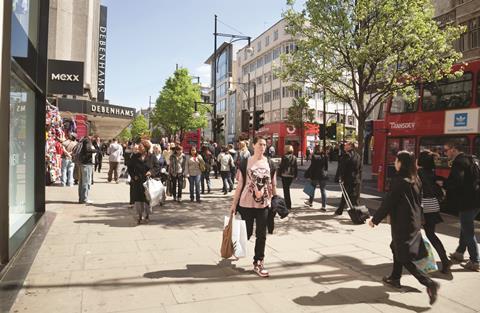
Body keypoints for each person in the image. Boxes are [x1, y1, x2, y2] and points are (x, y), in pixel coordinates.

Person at [368, 151, 440, 305]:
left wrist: (375, 219)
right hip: (413, 221)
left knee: (404, 256)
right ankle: (395, 278)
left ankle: (429, 283)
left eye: (396, 160)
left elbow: (389, 202)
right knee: (396, 247)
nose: (395, 163)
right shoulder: (415, 179)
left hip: (402, 223)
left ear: (401, 163)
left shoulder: (399, 180)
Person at [230, 135, 277, 277]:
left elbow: (273, 184)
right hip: (246, 203)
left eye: (264, 145)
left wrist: (276, 200)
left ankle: (258, 262)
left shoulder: (270, 163)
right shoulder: (245, 162)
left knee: (261, 234)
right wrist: (233, 204)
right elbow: (239, 186)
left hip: (264, 204)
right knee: (247, 232)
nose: (263, 147)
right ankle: (236, 247)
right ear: (253, 145)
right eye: (260, 144)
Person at [443, 141, 480, 271]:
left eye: (446, 150)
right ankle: (459, 252)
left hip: (467, 201)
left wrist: (444, 184)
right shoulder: (473, 158)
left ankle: (475, 261)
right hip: (476, 199)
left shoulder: (459, 162)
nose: (445, 152)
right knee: (465, 226)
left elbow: (456, 181)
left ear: (454, 149)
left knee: (468, 231)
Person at [417, 150, 452, 274]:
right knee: (431, 234)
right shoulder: (431, 173)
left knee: (413, 234)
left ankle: (419, 261)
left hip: (423, 207)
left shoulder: (419, 173)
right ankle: (445, 260)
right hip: (433, 205)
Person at [127, 141, 155, 224]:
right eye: (139, 146)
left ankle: (147, 215)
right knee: (138, 200)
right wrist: (133, 176)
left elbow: (157, 167)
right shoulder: (135, 156)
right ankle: (139, 216)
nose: (139, 148)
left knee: (147, 199)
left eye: (141, 146)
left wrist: (151, 172)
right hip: (138, 181)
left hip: (147, 182)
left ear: (146, 148)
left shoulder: (151, 156)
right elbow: (130, 168)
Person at [335, 141, 361, 215]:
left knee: (352, 197)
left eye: (346, 145)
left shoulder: (347, 155)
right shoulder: (357, 155)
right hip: (355, 179)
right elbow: (359, 168)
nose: (344, 146)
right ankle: (340, 210)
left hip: (347, 179)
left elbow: (342, 168)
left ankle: (359, 214)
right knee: (346, 194)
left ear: (350, 146)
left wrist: (340, 178)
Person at [305, 145, 329, 211]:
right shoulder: (325, 156)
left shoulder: (314, 156)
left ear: (315, 150)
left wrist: (310, 175)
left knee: (312, 188)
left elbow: (312, 166)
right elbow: (326, 167)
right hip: (323, 175)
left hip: (315, 175)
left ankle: (310, 202)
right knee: (323, 190)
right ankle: (324, 206)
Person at [278, 145, 297, 211]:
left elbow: (282, 166)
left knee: (286, 190)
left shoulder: (284, 157)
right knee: (287, 189)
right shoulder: (294, 157)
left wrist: (279, 171)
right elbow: (295, 167)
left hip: (284, 175)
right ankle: (288, 204)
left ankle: (288, 204)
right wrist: (295, 175)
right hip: (291, 175)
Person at [78, 136, 96, 204]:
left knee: (82, 182)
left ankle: (81, 198)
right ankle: (85, 199)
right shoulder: (87, 141)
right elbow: (88, 149)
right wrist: (95, 150)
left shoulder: (82, 141)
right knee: (86, 182)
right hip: (87, 164)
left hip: (82, 163)